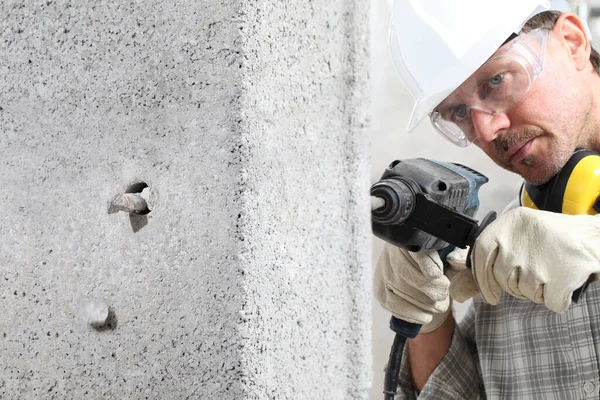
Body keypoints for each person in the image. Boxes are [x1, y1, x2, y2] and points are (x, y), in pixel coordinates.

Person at [375, 0, 600, 398]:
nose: (487, 129)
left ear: (573, 41)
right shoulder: (512, 257)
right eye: (459, 111)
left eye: (496, 80)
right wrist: (427, 317)